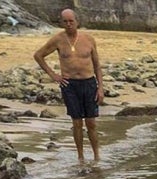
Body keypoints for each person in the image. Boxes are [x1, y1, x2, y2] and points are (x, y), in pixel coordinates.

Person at [33, 8, 104, 162]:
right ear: (61, 23)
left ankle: (97, 156)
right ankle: (80, 156)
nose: (68, 24)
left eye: (71, 21)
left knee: (91, 122)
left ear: (77, 21)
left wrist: (100, 88)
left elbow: (97, 65)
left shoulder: (88, 39)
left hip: (89, 83)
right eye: (65, 21)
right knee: (77, 122)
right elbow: (38, 55)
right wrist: (54, 75)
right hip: (70, 85)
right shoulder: (58, 39)